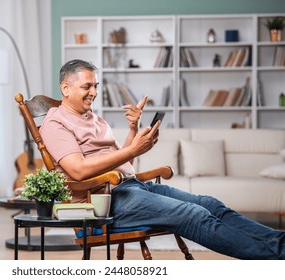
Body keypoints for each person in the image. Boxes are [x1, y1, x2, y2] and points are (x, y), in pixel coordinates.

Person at [39, 59, 285, 260]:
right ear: (65, 88)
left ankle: (281, 244)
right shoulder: (55, 122)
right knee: (193, 214)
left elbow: (121, 164)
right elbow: (79, 171)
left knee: (211, 204)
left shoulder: (93, 118)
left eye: (96, 85)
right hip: (102, 202)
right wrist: (133, 150)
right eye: (87, 87)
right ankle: (275, 257)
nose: (94, 92)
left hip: (128, 187)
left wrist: (133, 128)